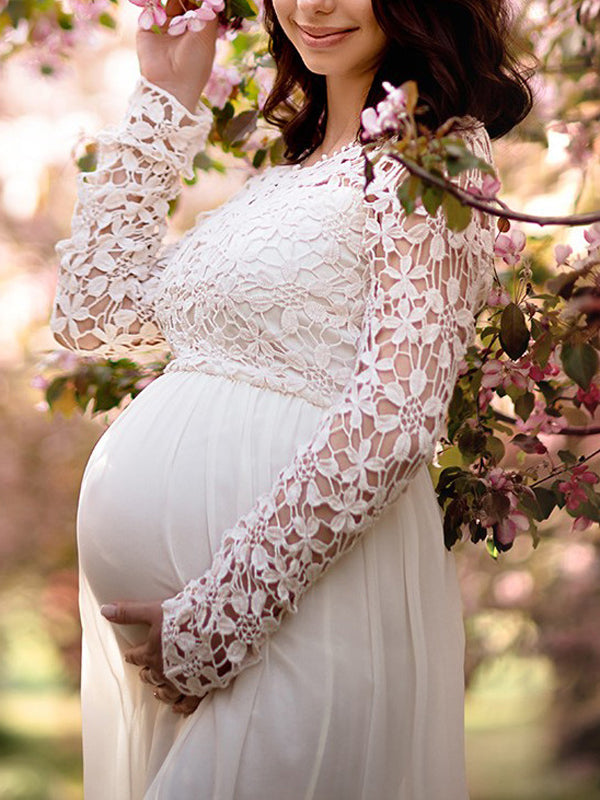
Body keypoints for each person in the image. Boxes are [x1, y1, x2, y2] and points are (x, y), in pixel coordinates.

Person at [50, 0, 532, 797]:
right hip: (204, 639)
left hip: (296, 623)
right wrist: (167, 97)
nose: (312, 5)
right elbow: (96, 314)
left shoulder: (437, 155)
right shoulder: (290, 174)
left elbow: (397, 416)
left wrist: (218, 621)